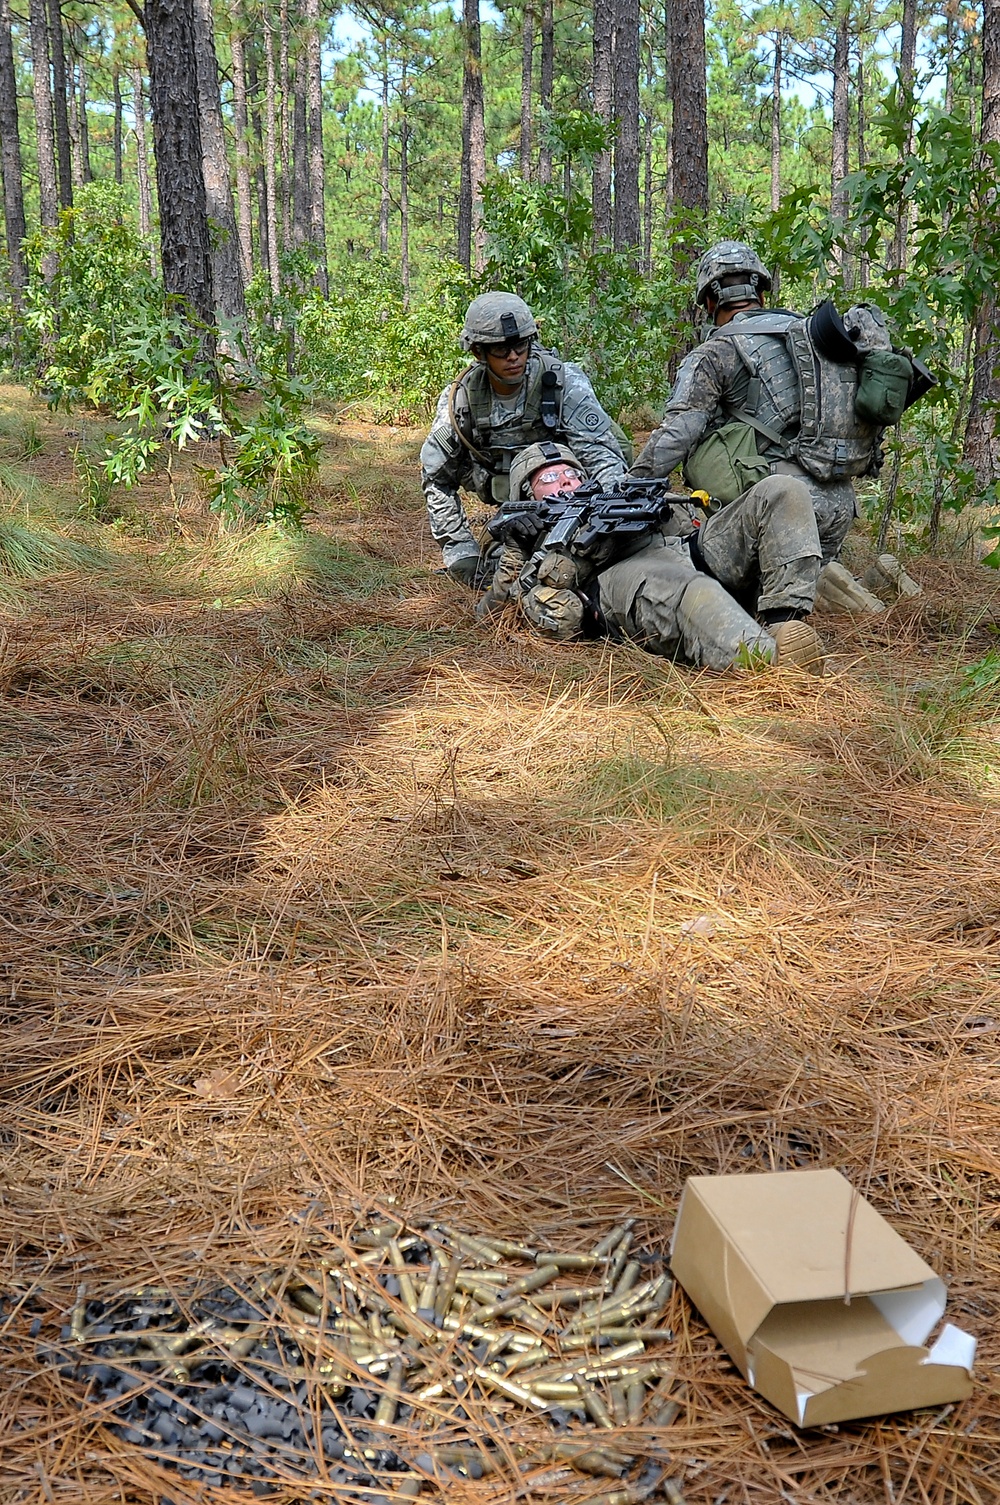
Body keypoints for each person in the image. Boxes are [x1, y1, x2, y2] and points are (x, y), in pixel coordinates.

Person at [630, 240, 905, 646]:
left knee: (704, 575)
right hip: (838, 505)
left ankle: (786, 625)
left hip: (778, 510)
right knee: (799, 578)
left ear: (709, 301)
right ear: (762, 291)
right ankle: (871, 588)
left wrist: (632, 483)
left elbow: (677, 434)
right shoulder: (815, 339)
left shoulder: (716, 351)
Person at [482, 441, 825, 672]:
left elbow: (689, 528)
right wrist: (514, 549)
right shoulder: (522, 537)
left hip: (683, 549)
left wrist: (658, 509)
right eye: (550, 478)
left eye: (573, 473)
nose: (566, 482)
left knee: (781, 489)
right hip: (618, 578)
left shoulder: (614, 498)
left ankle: (784, 622)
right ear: (526, 493)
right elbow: (489, 616)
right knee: (690, 590)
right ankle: (766, 662)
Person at [420, 292, 630, 586]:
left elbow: (603, 461)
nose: (513, 356)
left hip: (576, 508)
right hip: (515, 520)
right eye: (501, 349)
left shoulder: (562, 383)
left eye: (520, 345)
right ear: (478, 352)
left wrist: (601, 525)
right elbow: (436, 479)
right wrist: (461, 552)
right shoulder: (461, 400)